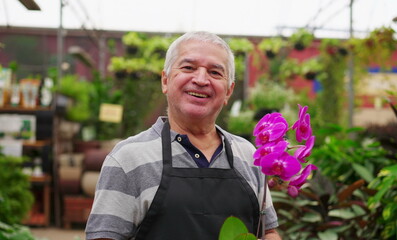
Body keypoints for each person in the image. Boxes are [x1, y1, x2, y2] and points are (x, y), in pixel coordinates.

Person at [85, 31, 281, 240]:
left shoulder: (250, 156)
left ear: (228, 91)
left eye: (215, 72)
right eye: (188, 67)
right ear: (165, 81)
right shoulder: (128, 159)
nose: (201, 79)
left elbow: (268, 231)